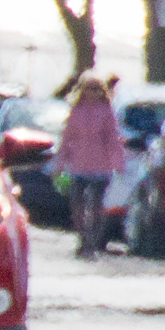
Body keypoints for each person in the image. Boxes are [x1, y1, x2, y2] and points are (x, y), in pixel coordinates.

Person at [53, 72, 125, 259]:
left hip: (101, 166)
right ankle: (82, 238)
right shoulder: (76, 110)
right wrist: (60, 162)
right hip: (78, 165)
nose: (92, 93)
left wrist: (118, 162)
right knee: (77, 205)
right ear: (82, 91)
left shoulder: (106, 111)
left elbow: (112, 139)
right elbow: (67, 137)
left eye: (95, 89)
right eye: (88, 89)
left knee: (95, 206)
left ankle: (92, 241)